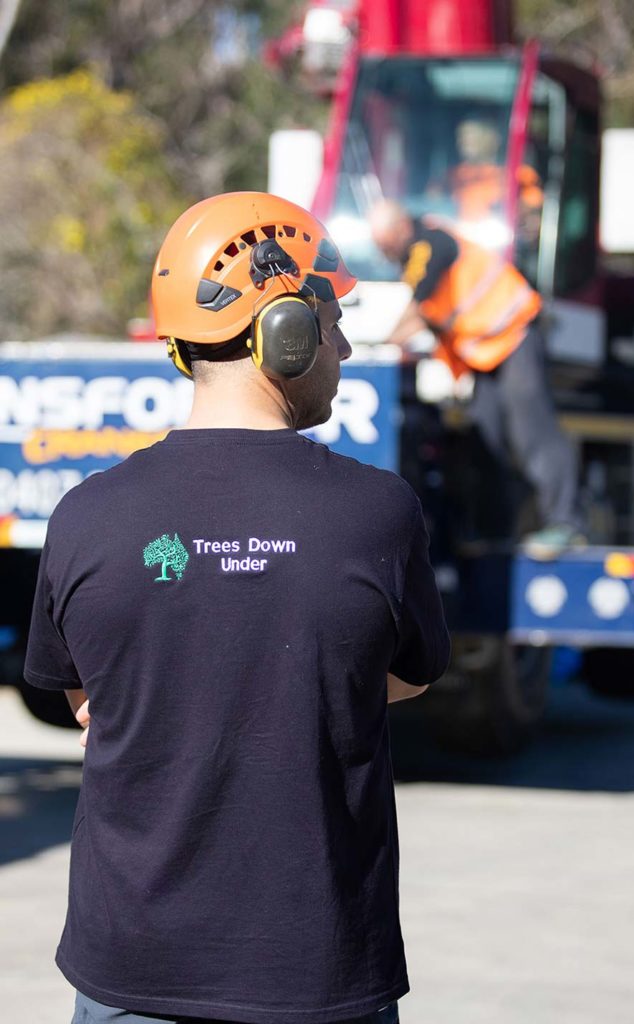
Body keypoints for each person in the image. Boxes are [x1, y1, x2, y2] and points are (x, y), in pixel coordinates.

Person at [24, 192, 451, 1024]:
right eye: (332, 321)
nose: (346, 343)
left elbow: (85, 702)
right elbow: (403, 681)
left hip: (127, 975)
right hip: (318, 979)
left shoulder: (85, 513)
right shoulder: (378, 513)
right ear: (284, 332)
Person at [368, 199, 581, 558]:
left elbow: (419, 310)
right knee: (485, 438)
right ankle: (495, 533)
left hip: (514, 336)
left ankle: (567, 523)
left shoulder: (430, 244)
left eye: (385, 243)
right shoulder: (413, 257)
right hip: (486, 356)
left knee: (534, 434)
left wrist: (381, 347)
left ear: (400, 228)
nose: (383, 252)